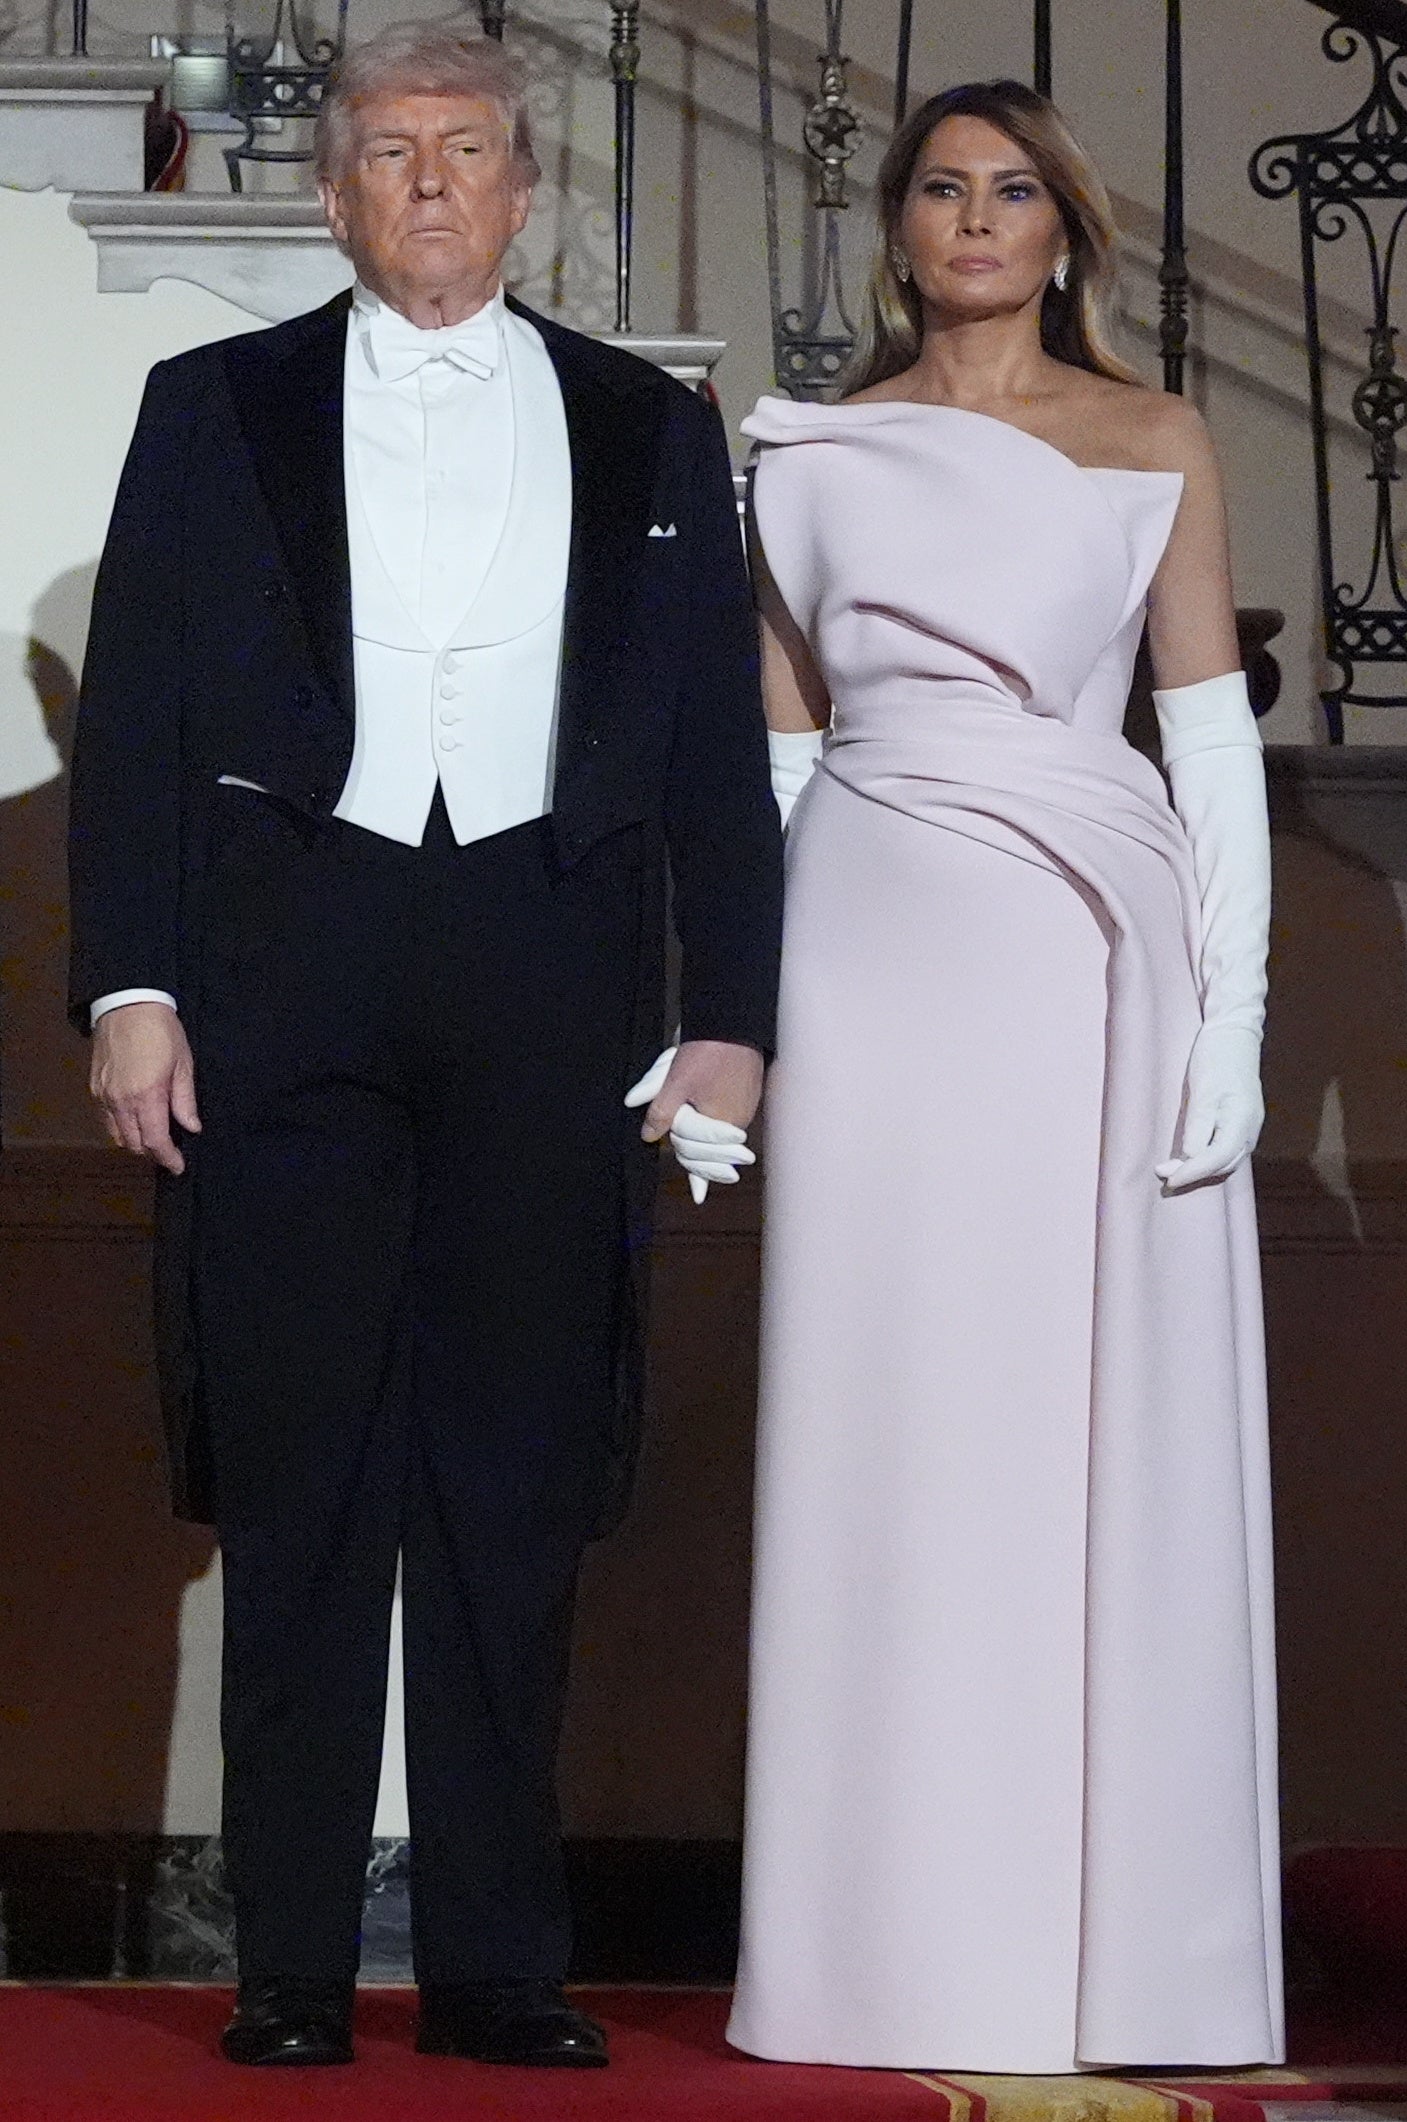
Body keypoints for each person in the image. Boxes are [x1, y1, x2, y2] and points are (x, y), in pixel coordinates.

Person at [68, 24, 782, 2071]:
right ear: (333, 195)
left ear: (524, 188)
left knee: (512, 1473)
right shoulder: (213, 406)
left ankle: (495, 1963)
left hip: (552, 966)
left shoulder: (647, 425)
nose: (434, 183)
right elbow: (137, 711)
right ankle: (292, 1962)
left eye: (468, 149)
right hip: (289, 953)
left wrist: (733, 1015)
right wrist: (130, 986)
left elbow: (716, 754)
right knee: (302, 1469)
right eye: (391, 153)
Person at [727, 80, 1282, 2073]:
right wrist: (742, 1018)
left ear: (1065, 232)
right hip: (868, 941)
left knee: (1070, 1419)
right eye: (945, 188)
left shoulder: (1153, 438)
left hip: (1084, 948)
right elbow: (780, 754)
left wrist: (1236, 1018)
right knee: (887, 1419)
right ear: (900, 225)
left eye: (1014, 190)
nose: (977, 219)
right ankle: (879, 1949)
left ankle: (1106, 1947)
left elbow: (1207, 737)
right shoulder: (807, 449)